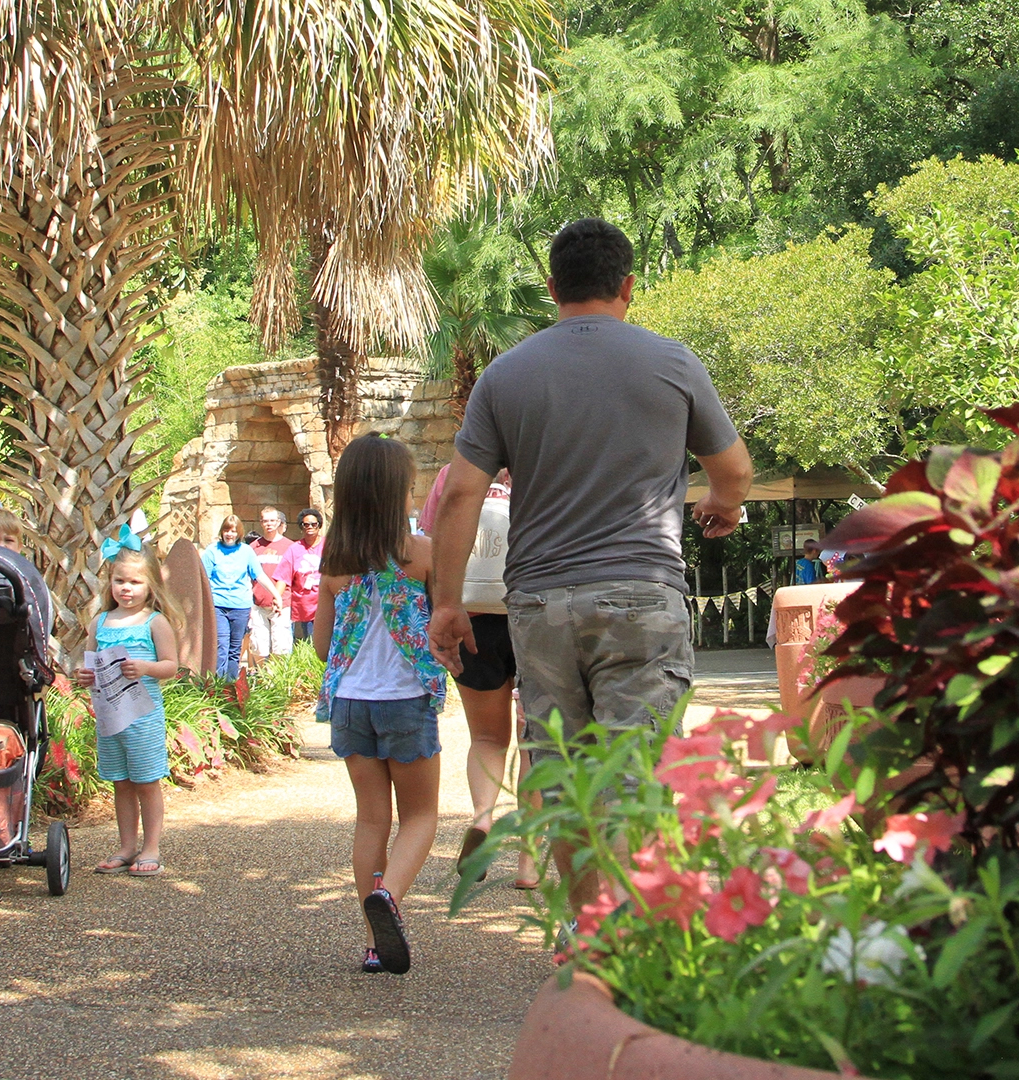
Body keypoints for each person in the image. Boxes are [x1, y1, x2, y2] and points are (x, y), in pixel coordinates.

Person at [427, 218, 754, 912]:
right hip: (642, 594)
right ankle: (632, 940)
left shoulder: (505, 373)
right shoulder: (673, 363)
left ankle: (585, 931)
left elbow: (459, 491)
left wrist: (448, 603)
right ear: (629, 287)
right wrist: (722, 506)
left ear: (552, 289)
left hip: (540, 604)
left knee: (566, 773)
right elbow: (734, 469)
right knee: (636, 775)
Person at [313, 435, 448, 975]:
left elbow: (323, 647)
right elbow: (443, 620)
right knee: (421, 816)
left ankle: (374, 944)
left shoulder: (335, 560)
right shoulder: (420, 554)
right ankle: (389, 896)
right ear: (401, 492)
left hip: (349, 702)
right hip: (405, 701)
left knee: (371, 820)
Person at [420, 464, 538, 889]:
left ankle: (483, 820)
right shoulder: (538, 462)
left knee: (487, 737)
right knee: (535, 740)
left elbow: (433, 542)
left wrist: (442, 607)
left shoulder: (456, 472)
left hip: (473, 619)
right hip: (531, 615)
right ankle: (529, 862)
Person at [74, 527, 183, 877]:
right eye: (119, 580)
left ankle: (151, 846)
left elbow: (171, 666)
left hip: (143, 715)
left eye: (135, 582)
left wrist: (146, 667)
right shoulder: (100, 622)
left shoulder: (155, 622)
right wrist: (85, 674)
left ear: (151, 585)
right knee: (120, 782)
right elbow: (90, 660)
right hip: (111, 716)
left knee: (146, 782)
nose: (126, 588)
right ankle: (126, 845)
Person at [203, 515, 274, 680]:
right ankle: (218, 686)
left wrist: (275, 594)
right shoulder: (212, 551)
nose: (230, 534)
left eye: (234, 531)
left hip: (240, 606)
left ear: (239, 533)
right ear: (222, 531)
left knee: (235, 650)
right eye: (227, 530)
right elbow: (203, 579)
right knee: (221, 646)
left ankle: (231, 687)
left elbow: (259, 575)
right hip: (218, 605)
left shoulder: (246, 551)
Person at [249, 506, 294, 662]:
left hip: (282, 604)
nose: (269, 524)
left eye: (273, 521)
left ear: (278, 522)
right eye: (266, 521)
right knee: (258, 647)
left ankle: (277, 682)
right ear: (261, 523)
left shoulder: (289, 546)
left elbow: (289, 575)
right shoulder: (253, 547)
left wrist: (278, 597)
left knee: (281, 647)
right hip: (258, 604)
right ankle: (263, 681)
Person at [279, 508, 326, 644]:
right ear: (301, 527)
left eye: (313, 524)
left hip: (325, 604)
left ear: (319, 526)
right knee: (309, 643)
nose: (310, 527)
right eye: (306, 524)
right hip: (304, 606)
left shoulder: (329, 546)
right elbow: (283, 576)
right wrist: (277, 598)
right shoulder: (294, 549)